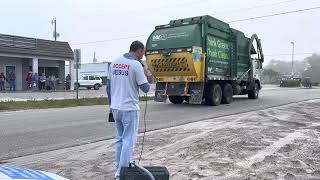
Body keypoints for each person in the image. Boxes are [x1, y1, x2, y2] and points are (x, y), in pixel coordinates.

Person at [107, 41, 150, 180]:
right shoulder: (136, 65)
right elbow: (146, 88)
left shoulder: (114, 62)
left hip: (116, 108)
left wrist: (111, 104)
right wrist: (144, 71)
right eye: (142, 53)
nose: (142, 56)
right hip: (129, 109)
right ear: (139, 51)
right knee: (128, 142)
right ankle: (122, 174)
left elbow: (108, 87)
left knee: (119, 140)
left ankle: (117, 172)